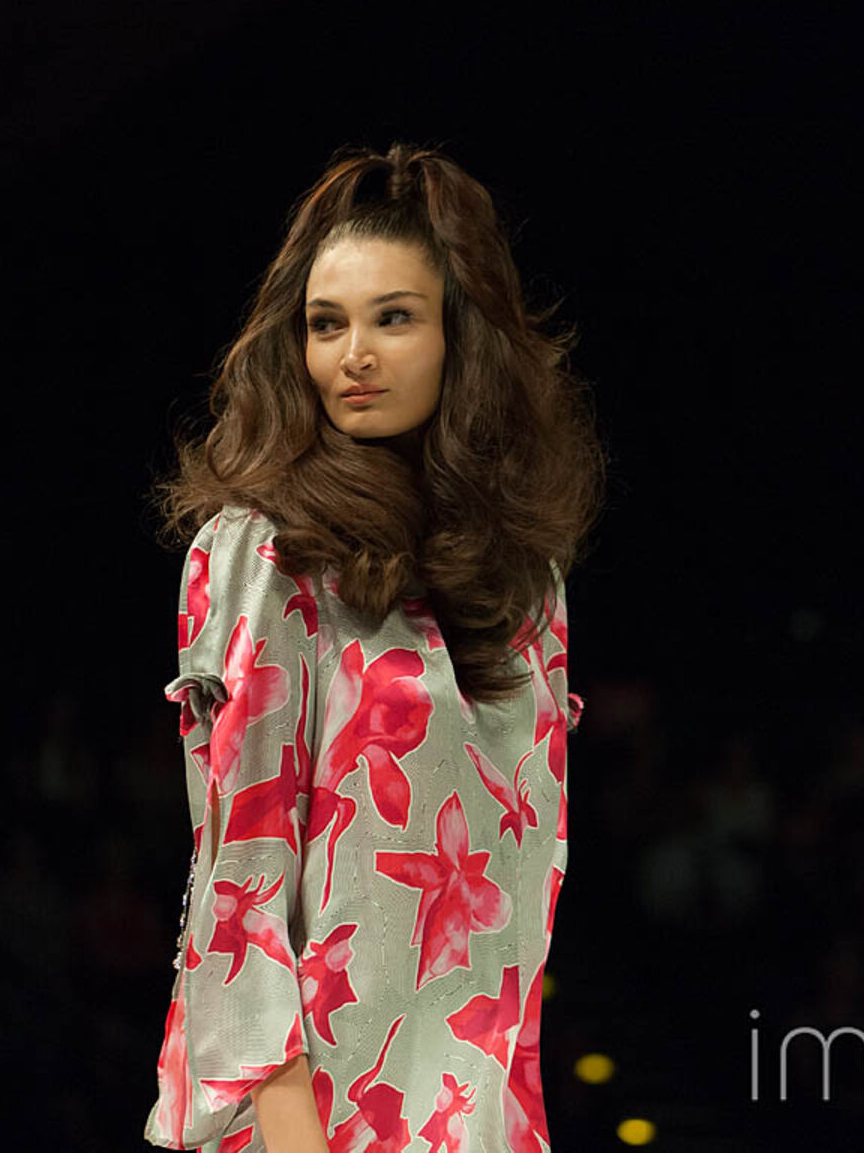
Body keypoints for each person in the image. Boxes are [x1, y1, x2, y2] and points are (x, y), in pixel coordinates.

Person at [143, 142, 605, 1152]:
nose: (353, 353)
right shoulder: (267, 550)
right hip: (307, 1120)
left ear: (459, 338)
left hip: (478, 1114)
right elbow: (241, 882)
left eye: (393, 317)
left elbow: (525, 890)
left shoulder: (527, 581)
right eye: (326, 323)